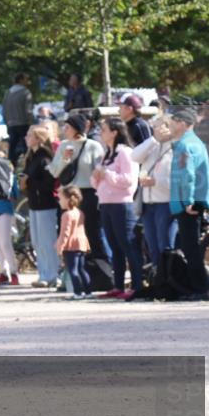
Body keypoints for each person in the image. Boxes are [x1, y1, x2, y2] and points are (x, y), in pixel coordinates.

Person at [91, 118, 142, 300]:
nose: (101, 132)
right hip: (106, 203)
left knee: (128, 245)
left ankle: (137, 285)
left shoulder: (126, 153)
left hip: (122, 204)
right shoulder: (107, 153)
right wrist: (96, 176)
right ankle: (118, 285)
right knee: (114, 246)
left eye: (104, 129)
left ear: (115, 132)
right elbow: (97, 182)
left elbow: (129, 181)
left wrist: (107, 174)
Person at [49, 114, 109, 266]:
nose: (64, 130)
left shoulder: (93, 146)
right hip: (68, 195)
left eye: (68, 127)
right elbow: (54, 172)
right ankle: (72, 269)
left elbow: (99, 172)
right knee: (67, 232)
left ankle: (100, 267)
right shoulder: (63, 146)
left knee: (91, 231)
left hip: (88, 193)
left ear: (77, 128)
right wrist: (65, 159)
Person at [168, 108, 209, 299]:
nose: (170, 126)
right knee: (191, 247)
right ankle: (197, 287)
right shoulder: (195, 142)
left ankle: (200, 289)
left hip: (188, 203)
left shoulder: (185, 145)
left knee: (191, 249)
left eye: (172, 122)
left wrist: (187, 201)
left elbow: (187, 175)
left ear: (182, 123)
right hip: (196, 200)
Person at [131, 117, 177, 262]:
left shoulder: (175, 148)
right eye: (154, 127)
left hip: (165, 204)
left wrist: (156, 182)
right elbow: (134, 156)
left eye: (160, 126)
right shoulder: (152, 146)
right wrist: (153, 140)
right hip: (147, 204)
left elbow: (178, 180)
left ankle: (169, 274)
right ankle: (158, 274)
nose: (156, 130)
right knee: (152, 246)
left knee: (165, 245)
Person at [22, 126, 61, 288]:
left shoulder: (45, 158)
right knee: (37, 242)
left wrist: (29, 181)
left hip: (46, 204)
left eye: (30, 135)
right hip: (34, 203)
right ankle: (43, 273)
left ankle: (52, 275)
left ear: (38, 139)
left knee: (47, 241)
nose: (26, 138)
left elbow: (48, 183)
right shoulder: (31, 157)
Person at [0, 151, 20, 286]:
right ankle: (13, 274)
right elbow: (15, 194)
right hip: (5, 209)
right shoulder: (10, 173)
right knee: (5, 243)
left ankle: (4, 273)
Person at [56, 186, 91, 299]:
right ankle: (88, 291)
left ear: (68, 199)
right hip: (81, 244)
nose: (59, 201)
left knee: (73, 270)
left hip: (71, 246)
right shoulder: (80, 212)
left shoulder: (66, 215)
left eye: (61, 199)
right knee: (81, 269)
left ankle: (78, 292)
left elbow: (65, 233)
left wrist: (60, 247)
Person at [3, 73, 34, 165]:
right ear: (21, 80)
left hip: (11, 124)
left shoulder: (8, 93)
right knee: (27, 147)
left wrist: (7, 123)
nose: (28, 82)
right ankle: (28, 165)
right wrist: (31, 123)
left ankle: (11, 167)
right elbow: (28, 110)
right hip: (24, 123)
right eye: (26, 79)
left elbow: (4, 110)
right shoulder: (25, 92)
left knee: (12, 149)